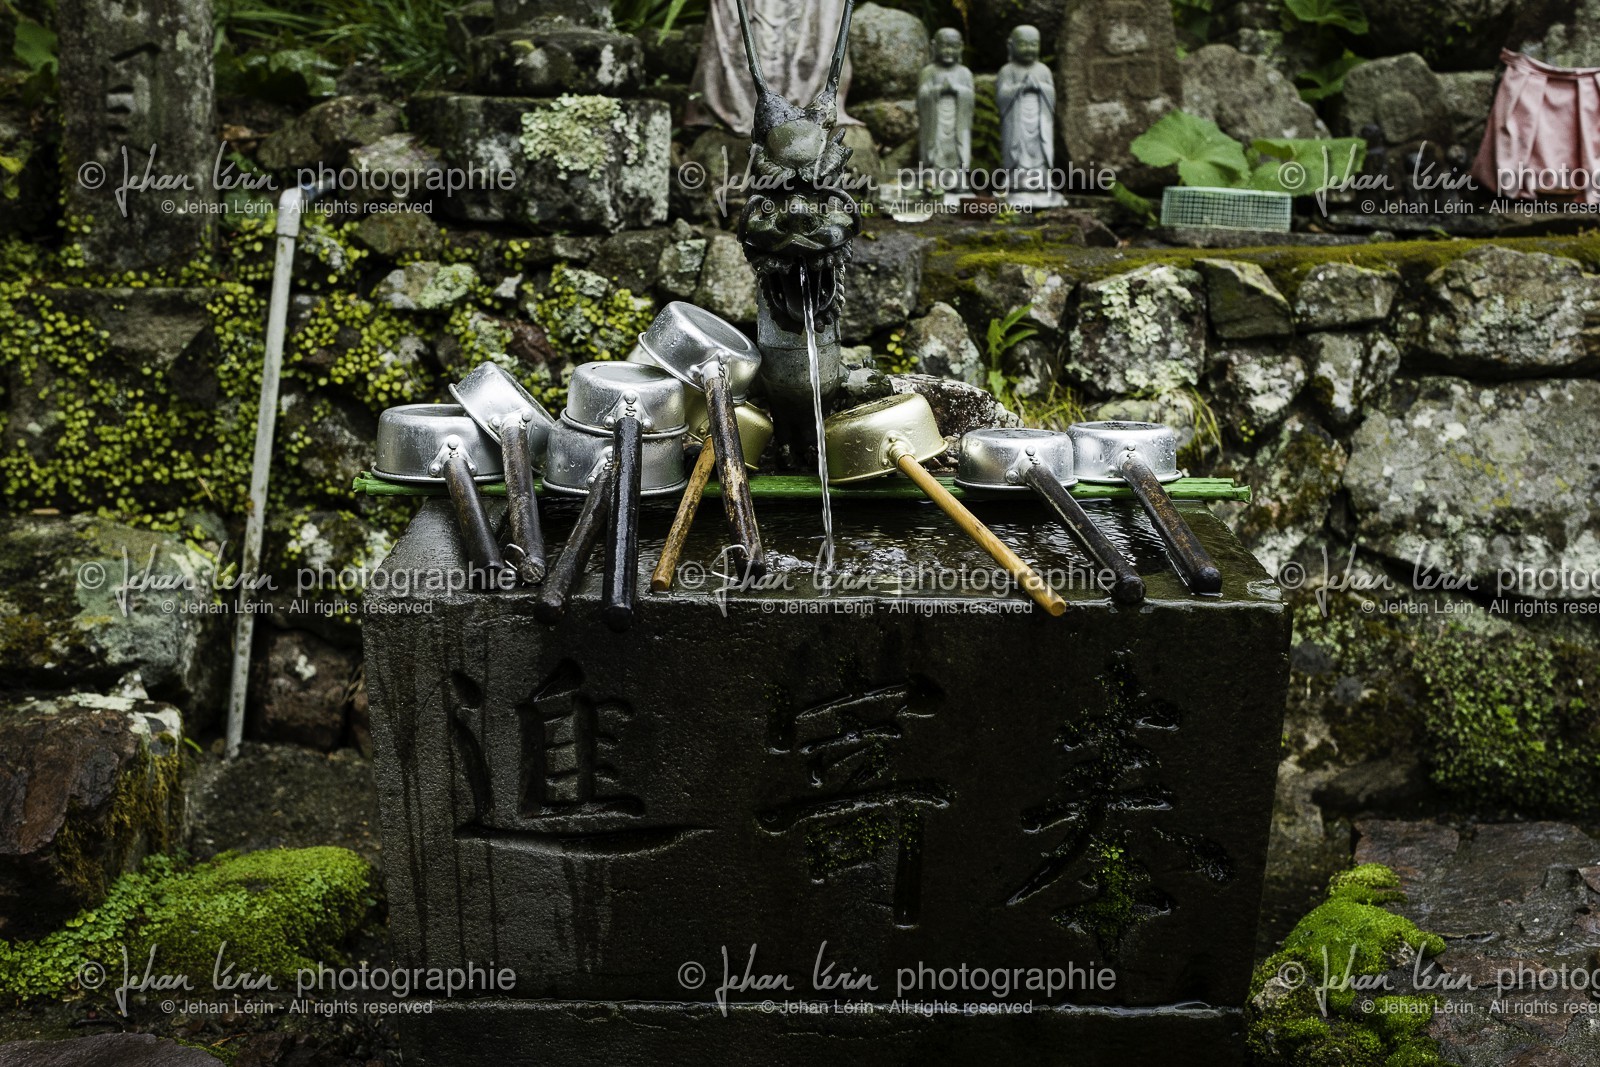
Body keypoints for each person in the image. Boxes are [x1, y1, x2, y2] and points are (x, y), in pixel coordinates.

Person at [997, 25, 1058, 205]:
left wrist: (1040, 87)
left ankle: (1042, 181)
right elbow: (1001, 97)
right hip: (1017, 121)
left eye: (1034, 44)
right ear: (1011, 46)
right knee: (1017, 148)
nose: (1029, 49)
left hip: (1039, 120)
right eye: (1023, 44)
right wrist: (1019, 88)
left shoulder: (1044, 70)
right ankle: (1016, 182)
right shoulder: (1007, 71)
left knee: (1039, 149)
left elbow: (1052, 95)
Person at [918, 28, 974, 184]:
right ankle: (932, 177)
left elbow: (969, 97)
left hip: (957, 123)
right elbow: (923, 96)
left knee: (956, 147)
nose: (948, 51)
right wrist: (938, 91)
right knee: (936, 146)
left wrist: (957, 90)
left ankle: (958, 178)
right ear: (934, 47)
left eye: (953, 46)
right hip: (935, 123)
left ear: (961, 47)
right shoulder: (929, 72)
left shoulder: (964, 73)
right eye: (944, 46)